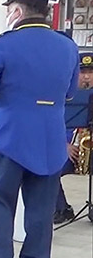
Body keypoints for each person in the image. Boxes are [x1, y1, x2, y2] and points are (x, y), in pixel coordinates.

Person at [0, 0, 79, 258]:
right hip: (50, 137)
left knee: (0, 201)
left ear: (17, 12)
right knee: (41, 209)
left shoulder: (3, 45)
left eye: (9, 10)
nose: (7, 15)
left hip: (9, 135)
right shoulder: (68, 47)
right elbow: (69, 94)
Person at [55, 52, 93, 224]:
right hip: (69, 144)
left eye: (90, 72)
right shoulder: (63, 96)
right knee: (50, 169)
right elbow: (52, 124)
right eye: (82, 72)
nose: (86, 76)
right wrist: (63, 144)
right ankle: (62, 208)